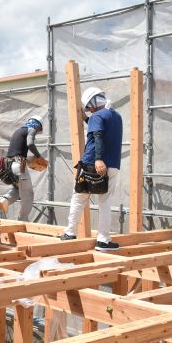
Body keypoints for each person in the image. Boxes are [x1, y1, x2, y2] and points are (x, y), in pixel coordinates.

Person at [59, 87, 123, 251]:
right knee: (105, 202)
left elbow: (98, 136)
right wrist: (87, 119)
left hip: (92, 164)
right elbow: (101, 129)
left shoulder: (97, 116)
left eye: (89, 107)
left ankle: (70, 233)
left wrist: (98, 159)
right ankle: (103, 240)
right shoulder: (116, 116)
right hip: (113, 165)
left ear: (93, 103)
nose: (90, 110)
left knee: (79, 198)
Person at [0, 116, 47, 221]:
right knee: (28, 193)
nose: (37, 132)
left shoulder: (18, 131)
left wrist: (29, 161)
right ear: (36, 125)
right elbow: (30, 144)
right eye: (38, 130)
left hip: (9, 166)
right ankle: (23, 220)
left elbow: (16, 151)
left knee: (17, 189)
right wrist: (39, 156)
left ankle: (3, 202)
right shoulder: (31, 129)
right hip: (18, 166)